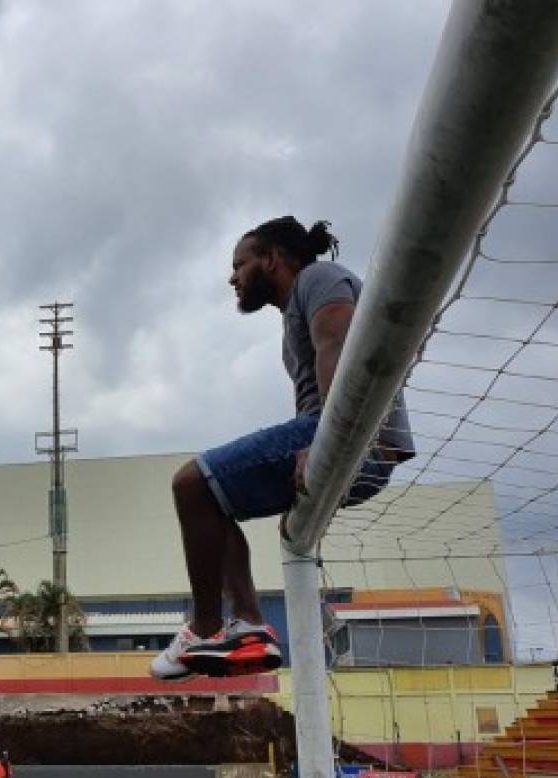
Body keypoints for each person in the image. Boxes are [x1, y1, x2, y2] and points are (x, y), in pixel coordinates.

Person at [150, 216, 415, 682]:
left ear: (271, 259)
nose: (232, 277)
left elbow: (339, 343)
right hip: (340, 438)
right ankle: (249, 626)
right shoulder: (293, 313)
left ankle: (206, 627)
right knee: (216, 503)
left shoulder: (319, 278)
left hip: (354, 439)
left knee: (191, 484)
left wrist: (329, 443)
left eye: (240, 264)